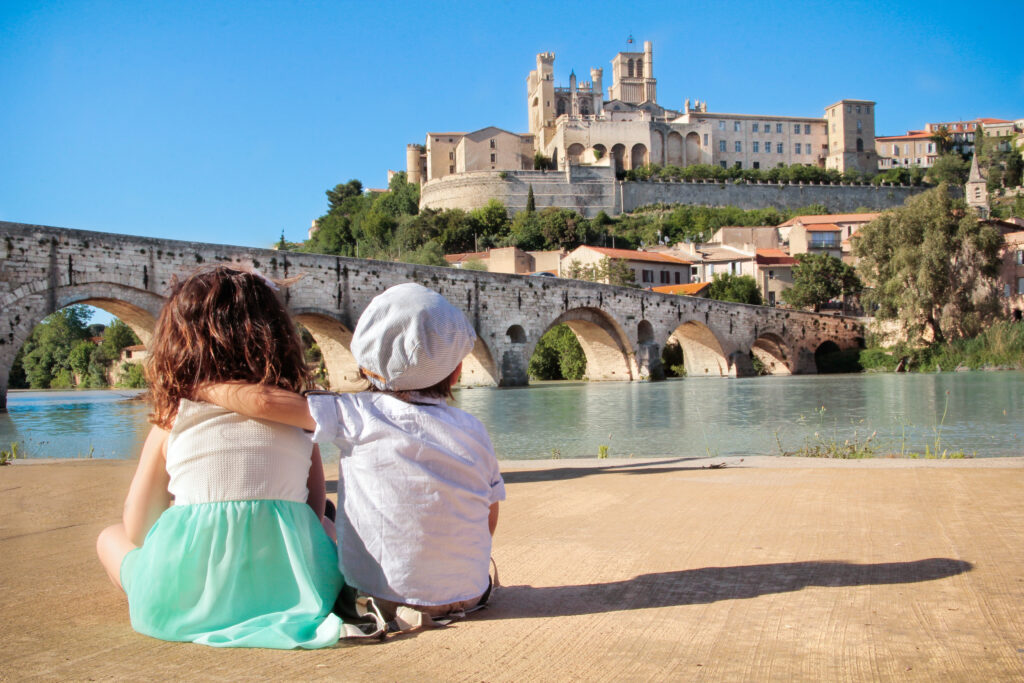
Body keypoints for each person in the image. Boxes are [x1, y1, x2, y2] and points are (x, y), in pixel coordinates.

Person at [202, 282, 505, 626]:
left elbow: (264, 402)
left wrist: (200, 385)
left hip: (382, 599)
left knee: (326, 523)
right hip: (469, 592)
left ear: (364, 363)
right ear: (457, 373)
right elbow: (488, 516)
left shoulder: (355, 413)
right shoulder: (474, 429)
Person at [95, 265, 345, 649]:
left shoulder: (173, 418)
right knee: (328, 526)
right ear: (277, 337)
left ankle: (169, 593)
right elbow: (311, 513)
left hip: (179, 605)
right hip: (293, 591)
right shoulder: (298, 420)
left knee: (109, 538)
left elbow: (138, 527)